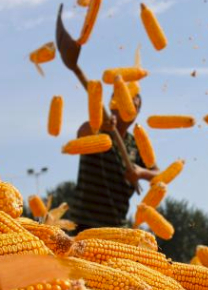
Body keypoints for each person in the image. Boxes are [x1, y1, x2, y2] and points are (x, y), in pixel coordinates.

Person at [68, 93, 159, 232]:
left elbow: (158, 174)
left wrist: (141, 173)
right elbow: (81, 134)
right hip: (84, 222)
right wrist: (98, 125)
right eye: (126, 103)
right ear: (113, 105)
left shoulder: (136, 144)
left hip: (117, 225)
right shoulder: (98, 130)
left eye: (135, 107)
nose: (130, 110)